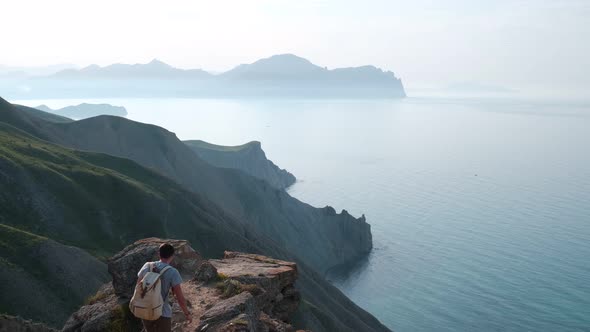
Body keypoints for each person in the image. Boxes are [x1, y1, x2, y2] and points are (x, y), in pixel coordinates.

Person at [137, 243, 192, 332]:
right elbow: (180, 299)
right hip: (162, 313)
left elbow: (138, 287)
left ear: (159, 253)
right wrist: (187, 314)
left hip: (145, 310)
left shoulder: (147, 265)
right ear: (172, 256)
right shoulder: (173, 272)